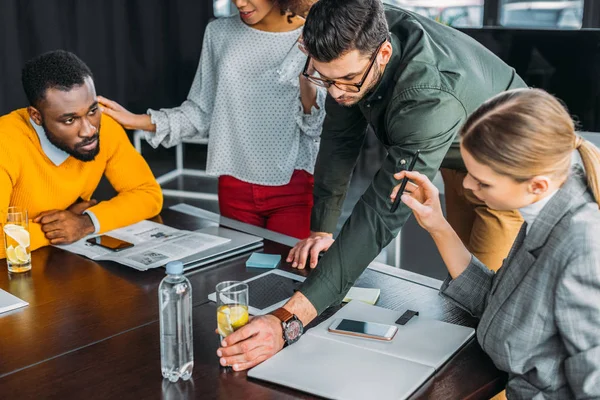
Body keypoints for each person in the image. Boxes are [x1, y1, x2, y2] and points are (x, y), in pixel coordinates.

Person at [216, 0, 526, 371]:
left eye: (347, 81)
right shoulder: (354, 32)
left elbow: (381, 213)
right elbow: (339, 137)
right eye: (324, 79)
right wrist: (322, 228)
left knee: (488, 318)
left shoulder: (426, 97)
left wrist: (288, 320)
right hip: (460, 161)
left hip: (509, 176)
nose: (336, 93)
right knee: (458, 299)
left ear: (383, 53)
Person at [390, 89, 600, 398]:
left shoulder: (582, 245)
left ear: (536, 184)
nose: (466, 185)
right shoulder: (545, 208)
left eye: (483, 181)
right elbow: (499, 304)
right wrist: (437, 225)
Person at [99, 0, 326, 239]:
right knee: (238, 271)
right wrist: (136, 121)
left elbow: (315, 126)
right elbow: (201, 113)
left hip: (295, 185)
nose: (239, 3)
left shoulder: (312, 37)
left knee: (290, 272)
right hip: (234, 184)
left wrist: (308, 79)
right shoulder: (218, 33)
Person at [0, 50, 163, 259]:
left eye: (92, 110)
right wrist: (59, 228)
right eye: (69, 120)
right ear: (36, 116)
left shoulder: (106, 127)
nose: (89, 130)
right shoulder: (6, 143)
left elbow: (148, 194)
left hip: (59, 262)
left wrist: (86, 222)